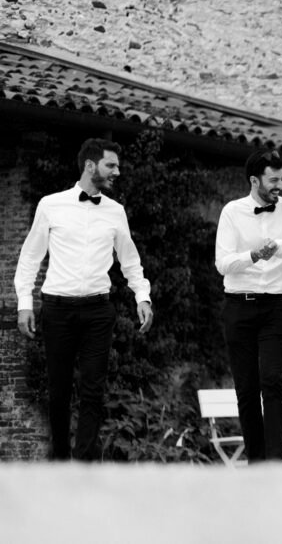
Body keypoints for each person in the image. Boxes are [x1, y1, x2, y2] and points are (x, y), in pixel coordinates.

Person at [15, 138, 154, 461]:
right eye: (111, 165)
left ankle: (85, 462)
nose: (117, 172)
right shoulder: (51, 205)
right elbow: (30, 257)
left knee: (93, 390)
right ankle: (60, 460)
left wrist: (142, 297)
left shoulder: (116, 212)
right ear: (90, 166)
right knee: (59, 391)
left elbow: (130, 260)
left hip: (97, 311)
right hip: (57, 309)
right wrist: (24, 304)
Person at [214, 148, 282, 464]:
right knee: (246, 389)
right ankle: (256, 463)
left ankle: (274, 462)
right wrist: (254, 256)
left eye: (281, 179)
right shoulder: (232, 212)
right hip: (238, 307)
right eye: (273, 180)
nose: (280, 186)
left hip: (275, 307)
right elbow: (222, 264)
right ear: (254, 180)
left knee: (273, 381)